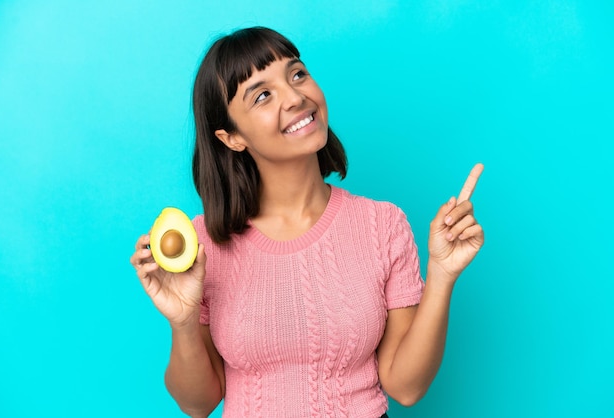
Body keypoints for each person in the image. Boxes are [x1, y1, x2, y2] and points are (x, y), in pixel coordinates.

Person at [130, 26, 484, 418]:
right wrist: (183, 322)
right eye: (263, 95)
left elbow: (406, 387)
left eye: (297, 74)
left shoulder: (382, 224)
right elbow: (197, 404)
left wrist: (442, 275)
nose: (296, 97)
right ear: (231, 138)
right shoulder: (203, 244)